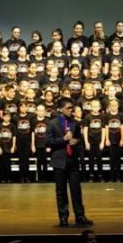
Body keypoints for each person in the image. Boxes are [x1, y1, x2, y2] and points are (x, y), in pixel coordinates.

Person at [46, 97, 93, 227]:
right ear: (61, 109)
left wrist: (76, 141)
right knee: (61, 191)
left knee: (76, 190)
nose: (70, 111)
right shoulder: (52, 123)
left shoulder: (75, 123)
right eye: (68, 108)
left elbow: (79, 139)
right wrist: (63, 139)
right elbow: (48, 141)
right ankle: (63, 217)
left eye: (72, 108)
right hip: (59, 161)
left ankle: (80, 216)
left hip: (72, 160)